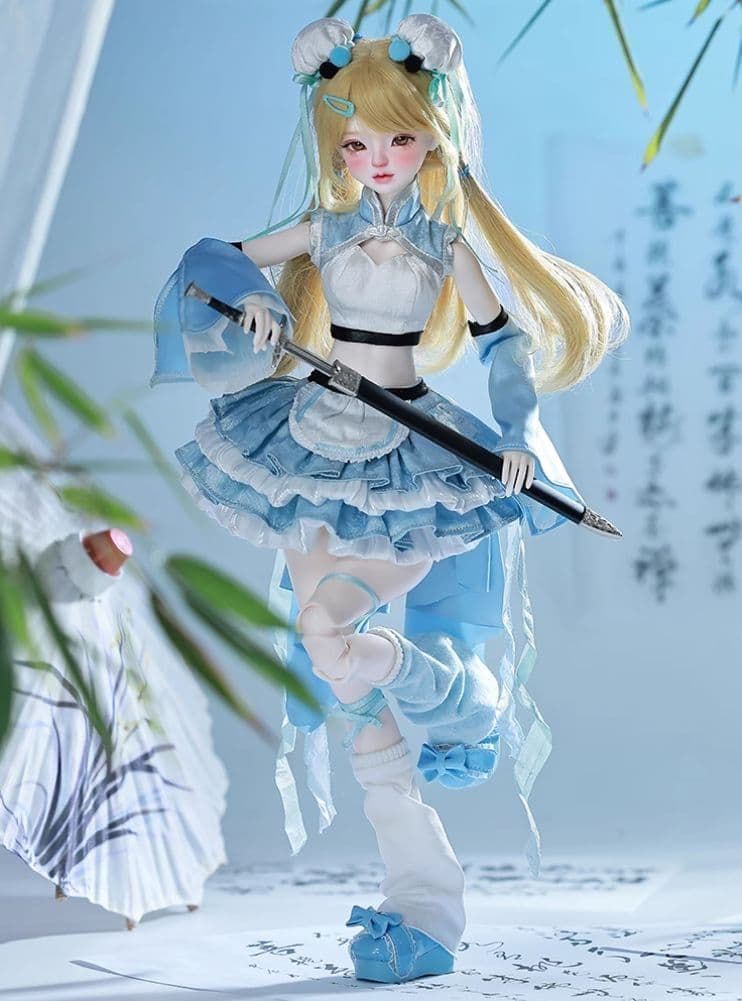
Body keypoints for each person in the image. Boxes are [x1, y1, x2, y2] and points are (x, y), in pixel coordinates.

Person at [152, 13, 629, 985]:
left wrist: (515, 433)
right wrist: (256, 302)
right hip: (308, 439)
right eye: (356, 142)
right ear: (336, 144)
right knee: (339, 673)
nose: (375, 159)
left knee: (330, 635)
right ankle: (421, 896)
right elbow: (211, 259)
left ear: (432, 141)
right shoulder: (325, 227)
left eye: (397, 139)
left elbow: (503, 345)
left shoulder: (445, 242)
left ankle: (452, 701)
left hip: (410, 450)